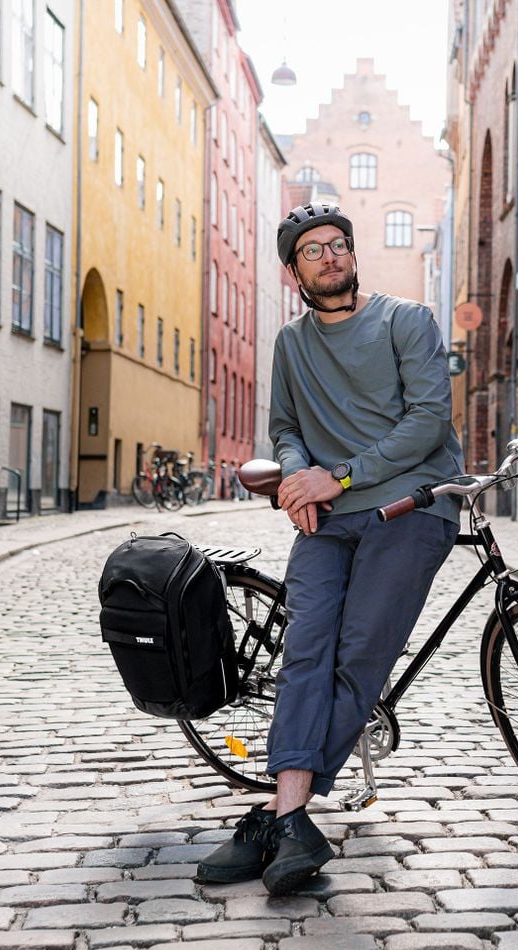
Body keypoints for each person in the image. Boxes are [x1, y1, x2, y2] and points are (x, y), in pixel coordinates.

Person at [197, 203, 464, 896]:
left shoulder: (407, 321)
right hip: (324, 517)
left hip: (407, 506)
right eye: (313, 250)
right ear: (293, 272)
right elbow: (285, 426)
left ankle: (276, 815)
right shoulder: (291, 344)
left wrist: (339, 474)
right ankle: (290, 821)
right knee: (306, 652)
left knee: (357, 656)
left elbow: (429, 421)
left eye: (338, 244)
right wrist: (295, 475)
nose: (330, 256)